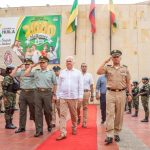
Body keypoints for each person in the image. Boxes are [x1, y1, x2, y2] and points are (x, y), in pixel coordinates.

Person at [97, 50, 132, 145]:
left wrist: (129, 94)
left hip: (122, 93)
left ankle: (116, 133)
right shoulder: (108, 68)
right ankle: (109, 135)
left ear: (120, 58)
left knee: (119, 114)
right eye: (114, 57)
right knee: (110, 114)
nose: (116, 58)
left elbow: (128, 82)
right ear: (112, 58)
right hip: (110, 93)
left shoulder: (125, 69)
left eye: (117, 57)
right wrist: (105, 62)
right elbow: (98, 72)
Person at [24, 56, 57, 137]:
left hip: (47, 93)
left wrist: (54, 94)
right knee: (38, 112)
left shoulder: (51, 72)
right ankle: (39, 130)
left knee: (47, 111)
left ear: (47, 63)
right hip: (37, 93)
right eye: (41, 62)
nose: (42, 64)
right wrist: (32, 66)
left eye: (43, 62)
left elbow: (55, 84)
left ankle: (49, 124)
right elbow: (26, 73)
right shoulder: (36, 71)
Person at [56, 56, 83, 141]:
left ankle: (74, 126)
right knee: (62, 115)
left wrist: (80, 96)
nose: (68, 62)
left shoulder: (78, 73)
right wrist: (58, 95)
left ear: (73, 62)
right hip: (63, 97)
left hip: (73, 97)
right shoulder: (62, 72)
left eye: (70, 61)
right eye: (67, 61)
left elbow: (80, 85)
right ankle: (63, 132)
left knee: (73, 114)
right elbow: (59, 85)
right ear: (65, 63)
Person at [14, 59, 36, 133]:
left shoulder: (34, 72)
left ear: (31, 65)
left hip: (31, 93)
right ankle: (22, 127)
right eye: (25, 64)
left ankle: (38, 127)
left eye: (28, 64)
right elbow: (13, 75)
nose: (26, 65)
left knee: (33, 111)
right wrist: (17, 67)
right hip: (23, 93)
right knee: (22, 111)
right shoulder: (21, 72)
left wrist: (33, 67)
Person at [77, 63, 94, 128]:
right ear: (81, 67)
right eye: (83, 66)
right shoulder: (78, 75)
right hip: (79, 93)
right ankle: (78, 117)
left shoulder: (89, 75)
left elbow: (91, 85)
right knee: (77, 107)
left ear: (87, 68)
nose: (84, 67)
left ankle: (84, 122)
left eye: (85, 66)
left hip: (86, 92)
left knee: (85, 107)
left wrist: (92, 95)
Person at [1, 65, 18, 129]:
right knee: (8, 109)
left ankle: (10, 122)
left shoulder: (13, 77)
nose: (14, 71)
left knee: (12, 109)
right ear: (10, 70)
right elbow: (4, 88)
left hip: (13, 95)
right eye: (13, 69)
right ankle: (7, 124)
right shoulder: (7, 77)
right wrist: (5, 97)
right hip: (8, 95)